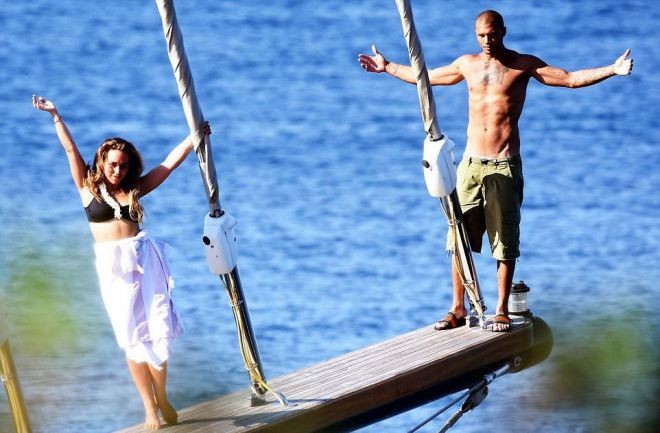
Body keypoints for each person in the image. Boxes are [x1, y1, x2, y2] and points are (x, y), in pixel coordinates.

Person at [358, 10, 633, 332]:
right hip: (471, 165)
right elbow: (428, 77)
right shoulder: (467, 64)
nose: (487, 40)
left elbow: (570, 79)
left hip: (504, 164)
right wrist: (388, 67)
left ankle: (501, 310)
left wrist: (612, 69)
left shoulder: (523, 65)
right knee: (458, 237)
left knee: (504, 241)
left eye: (492, 34)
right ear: (475, 35)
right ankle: (458, 307)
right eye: (481, 35)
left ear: (503, 31)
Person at [32, 95, 210, 429]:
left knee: (158, 331)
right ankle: (149, 408)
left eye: (124, 166)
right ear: (102, 162)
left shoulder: (135, 190)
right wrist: (56, 116)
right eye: (113, 164)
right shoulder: (87, 189)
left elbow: (168, 165)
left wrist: (193, 138)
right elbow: (70, 150)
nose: (118, 170)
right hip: (113, 272)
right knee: (132, 339)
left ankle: (162, 396)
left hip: (145, 264)